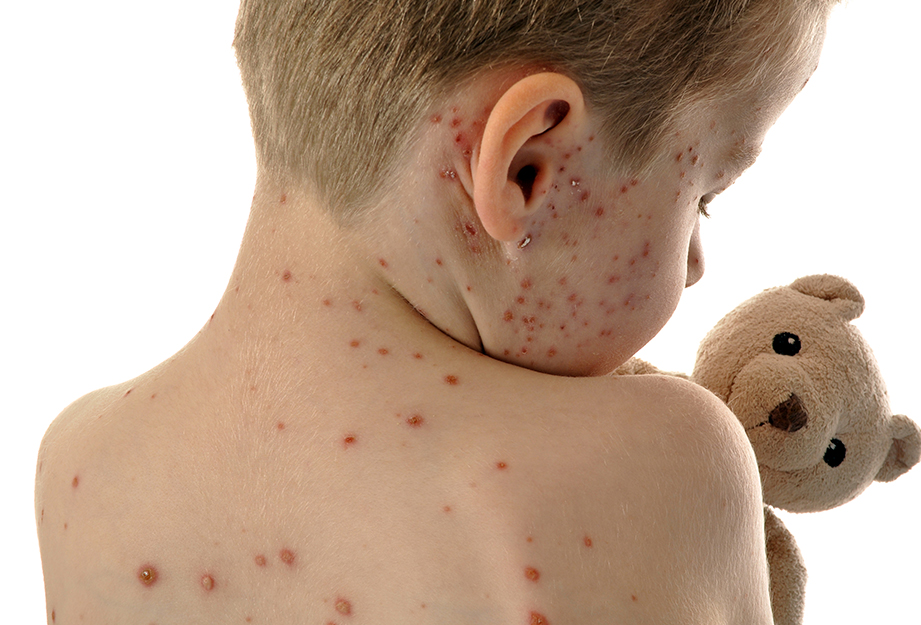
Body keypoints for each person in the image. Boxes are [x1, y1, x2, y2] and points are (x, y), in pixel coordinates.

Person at [35, 1, 836, 623]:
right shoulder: (667, 461)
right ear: (527, 167)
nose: (697, 264)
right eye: (704, 198)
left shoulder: (80, 469)